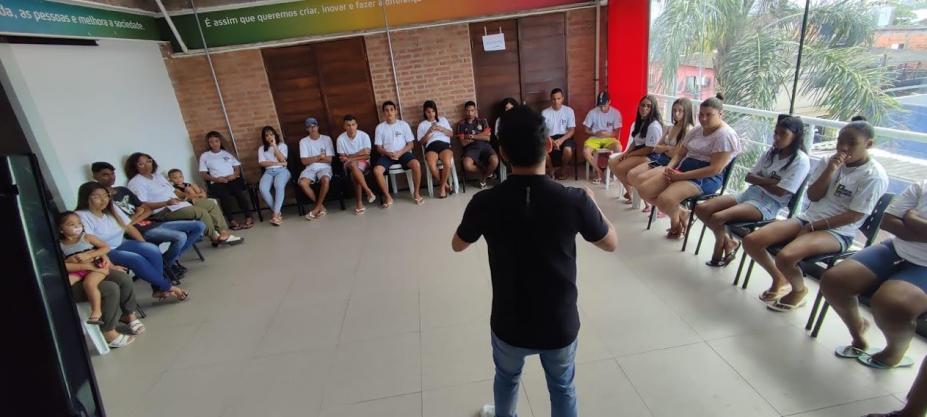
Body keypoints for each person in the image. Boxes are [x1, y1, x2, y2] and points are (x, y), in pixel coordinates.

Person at [452, 106, 617, 417]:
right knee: (562, 386)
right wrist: (595, 205)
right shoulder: (575, 200)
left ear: (501, 153)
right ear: (550, 145)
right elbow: (611, 243)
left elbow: (457, 245)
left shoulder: (484, 202)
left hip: (509, 321)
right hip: (559, 323)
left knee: (506, 377)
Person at [742, 121, 889, 310]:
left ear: (868, 144)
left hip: (838, 231)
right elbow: (813, 196)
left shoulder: (873, 175)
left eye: (851, 143)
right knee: (752, 241)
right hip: (808, 217)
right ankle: (780, 279)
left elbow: (853, 216)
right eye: (840, 141)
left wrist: (814, 227)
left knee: (786, 257)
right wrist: (830, 170)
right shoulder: (829, 161)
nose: (843, 147)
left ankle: (798, 290)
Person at [821, 179, 927, 369]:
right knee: (834, 281)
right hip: (896, 248)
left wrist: (911, 218)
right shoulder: (922, 185)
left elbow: (901, 219)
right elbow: (888, 221)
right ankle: (858, 331)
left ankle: (896, 350)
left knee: (892, 304)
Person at [694, 116, 810, 267]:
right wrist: (771, 182)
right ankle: (729, 242)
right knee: (702, 208)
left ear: (796, 136)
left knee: (717, 217)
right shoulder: (771, 153)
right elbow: (749, 177)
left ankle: (718, 253)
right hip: (749, 193)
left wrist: (762, 180)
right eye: (775, 133)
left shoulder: (800, 161)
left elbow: (781, 192)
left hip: (768, 203)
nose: (777, 137)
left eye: (783, 134)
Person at [637, 94, 741, 239]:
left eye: (709, 115)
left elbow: (715, 169)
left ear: (721, 114)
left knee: (665, 200)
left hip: (706, 177)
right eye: (701, 115)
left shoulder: (725, 135)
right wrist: (671, 167)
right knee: (644, 190)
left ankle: (675, 225)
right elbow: (680, 153)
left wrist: (681, 176)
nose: (703, 119)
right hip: (683, 167)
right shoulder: (697, 130)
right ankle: (682, 213)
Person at [75, 182, 188, 302]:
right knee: (136, 259)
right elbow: (90, 243)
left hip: (121, 243)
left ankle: (158, 289)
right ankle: (168, 287)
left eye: (105, 195)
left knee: (152, 249)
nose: (103, 200)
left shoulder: (111, 208)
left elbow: (129, 227)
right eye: (96, 197)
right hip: (105, 251)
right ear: (86, 198)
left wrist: (144, 244)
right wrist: (111, 265)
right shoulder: (81, 216)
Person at [93, 162, 205, 279]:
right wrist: (136, 215)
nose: (111, 177)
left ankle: (167, 262)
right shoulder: (102, 200)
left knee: (199, 225)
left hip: (151, 222)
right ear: (95, 176)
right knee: (180, 237)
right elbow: (122, 225)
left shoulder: (122, 190)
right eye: (105, 175)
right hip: (137, 231)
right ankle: (167, 265)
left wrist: (134, 217)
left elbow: (147, 210)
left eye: (112, 173)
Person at [126, 153, 242, 247]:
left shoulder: (157, 176)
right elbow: (143, 205)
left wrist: (187, 195)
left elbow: (174, 191)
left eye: (148, 161)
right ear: (134, 167)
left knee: (210, 204)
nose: (147, 165)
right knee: (200, 212)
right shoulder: (136, 182)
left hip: (178, 203)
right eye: (141, 164)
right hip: (163, 210)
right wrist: (166, 202)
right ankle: (215, 238)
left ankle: (223, 232)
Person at [628, 97, 696, 213]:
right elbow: (656, 148)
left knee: (642, 183)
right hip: (661, 159)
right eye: (674, 110)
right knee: (633, 176)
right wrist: (668, 148)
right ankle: (671, 208)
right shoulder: (671, 127)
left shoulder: (688, 130)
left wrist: (665, 148)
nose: (676, 113)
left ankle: (670, 209)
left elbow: (677, 154)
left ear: (687, 112)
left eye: (680, 111)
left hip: (673, 165)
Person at [69, 266, 144, 348]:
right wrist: (88, 264)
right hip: (73, 274)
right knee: (109, 288)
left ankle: (128, 315)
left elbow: (100, 254)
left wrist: (108, 264)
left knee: (123, 278)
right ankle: (108, 332)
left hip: (91, 267)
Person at [59, 211, 110, 326]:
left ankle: (96, 312)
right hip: (77, 270)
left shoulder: (86, 237)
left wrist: (90, 255)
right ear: (61, 229)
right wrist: (69, 260)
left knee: (90, 284)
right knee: (64, 283)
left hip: (97, 266)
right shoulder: (60, 244)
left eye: (79, 223)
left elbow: (105, 247)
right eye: (71, 224)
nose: (77, 226)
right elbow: (62, 263)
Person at [608, 95, 663, 200]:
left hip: (650, 156)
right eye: (642, 105)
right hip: (639, 151)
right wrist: (626, 153)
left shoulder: (653, 126)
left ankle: (635, 192)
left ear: (653, 108)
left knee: (620, 167)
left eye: (648, 106)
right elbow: (635, 141)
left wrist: (631, 154)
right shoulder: (641, 120)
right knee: (612, 163)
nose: (644, 108)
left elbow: (650, 149)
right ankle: (630, 192)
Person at [198, 131, 255, 230]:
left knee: (240, 194)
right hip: (217, 182)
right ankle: (231, 220)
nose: (214, 144)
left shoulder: (227, 153)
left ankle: (249, 217)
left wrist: (234, 175)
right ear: (208, 143)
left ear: (220, 141)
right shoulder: (205, 156)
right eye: (211, 142)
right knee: (225, 197)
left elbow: (237, 167)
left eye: (216, 141)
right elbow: (203, 174)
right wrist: (216, 179)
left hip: (232, 179)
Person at [373, 101, 424, 207]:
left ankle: (416, 193)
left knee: (416, 165)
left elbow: (411, 144)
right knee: (377, 170)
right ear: (383, 113)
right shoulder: (380, 127)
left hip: (403, 153)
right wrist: (388, 153)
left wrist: (400, 152)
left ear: (395, 111)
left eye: (391, 110)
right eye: (386, 110)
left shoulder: (403, 124)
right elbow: (378, 147)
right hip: (387, 155)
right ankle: (388, 197)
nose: (389, 112)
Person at [337, 114, 377, 215]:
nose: (351, 127)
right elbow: (342, 158)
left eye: (353, 124)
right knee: (353, 166)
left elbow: (367, 156)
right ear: (344, 126)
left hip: (364, 163)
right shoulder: (340, 139)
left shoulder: (364, 136)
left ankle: (359, 203)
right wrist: (359, 153)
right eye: (348, 125)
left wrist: (350, 157)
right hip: (347, 165)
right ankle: (367, 191)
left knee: (354, 173)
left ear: (356, 125)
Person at [582, 91, 623, 184]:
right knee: (585, 151)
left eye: (604, 105)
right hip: (595, 138)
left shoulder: (615, 113)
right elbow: (586, 129)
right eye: (600, 106)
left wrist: (608, 135)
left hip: (609, 138)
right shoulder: (592, 112)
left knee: (619, 148)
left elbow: (617, 132)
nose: (602, 108)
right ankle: (599, 172)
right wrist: (595, 133)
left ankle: (609, 171)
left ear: (609, 102)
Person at [297, 117, 335, 220]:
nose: (312, 128)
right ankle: (321, 207)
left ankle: (316, 208)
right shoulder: (303, 141)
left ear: (318, 127)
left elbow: (329, 160)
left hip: (324, 167)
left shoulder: (326, 139)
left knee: (326, 179)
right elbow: (304, 161)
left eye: (314, 126)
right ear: (307, 129)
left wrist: (313, 159)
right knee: (302, 183)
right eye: (309, 127)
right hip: (310, 168)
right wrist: (319, 157)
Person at [418, 100, 456, 198]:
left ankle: (442, 187)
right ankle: (446, 185)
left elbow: (451, 134)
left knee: (447, 163)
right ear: (424, 113)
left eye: (433, 111)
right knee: (431, 164)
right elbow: (421, 142)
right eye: (428, 112)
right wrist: (429, 131)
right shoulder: (422, 125)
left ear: (436, 111)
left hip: (444, 145)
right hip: (431, 146)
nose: (431, 114)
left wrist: (441, 129)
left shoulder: (443, 120)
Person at [457, 100, 499, 189]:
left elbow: (488, 138)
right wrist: (480, 135)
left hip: (485, 147)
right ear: (465, 111)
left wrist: (471, 136)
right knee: (467, 165)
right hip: (470, 149)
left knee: (495, 161)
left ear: (475, 110)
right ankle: (488, 172)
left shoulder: (483, 121)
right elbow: (463, 143)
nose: (470, 113)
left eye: (472, 110)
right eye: (468, 111)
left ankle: (483, 180)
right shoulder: (461, 125)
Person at [257, 126, 290, 226]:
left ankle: (275, 215)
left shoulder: (282, 146)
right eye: (266, 135)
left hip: (282, 171)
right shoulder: (262, 149)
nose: (269, 137)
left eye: (271, 134)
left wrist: (274, 146)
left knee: (278, 185)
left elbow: (283, 159)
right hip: (269, 171)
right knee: (263, 188)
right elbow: (262, 163)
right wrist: (278, 164)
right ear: (264, 137)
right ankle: (277, 212)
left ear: (275, 135)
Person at [542, 88, 577, 180]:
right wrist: (552, 141)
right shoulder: (545, 113)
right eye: (554, 99)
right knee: (542, 150)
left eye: (558, 98)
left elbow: (572, 130)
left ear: (563, 98)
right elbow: (542, 131)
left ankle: (563, 169)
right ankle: (551, 170)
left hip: (565, 137)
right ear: (551, 99)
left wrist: (561, 141)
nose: (556, 101)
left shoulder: (569, 111)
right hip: (549, 137)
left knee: (568, 150)